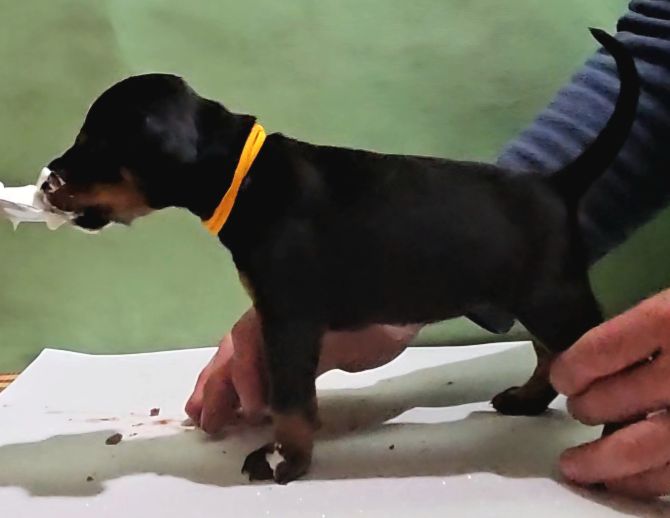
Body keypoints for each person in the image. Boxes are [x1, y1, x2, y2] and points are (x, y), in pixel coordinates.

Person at [186, 1, 670, 499]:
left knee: (569, 327)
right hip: (525, 215)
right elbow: (662, 54)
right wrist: (484, 230)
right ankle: (551, 373)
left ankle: (292, 445)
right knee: (551, 311)